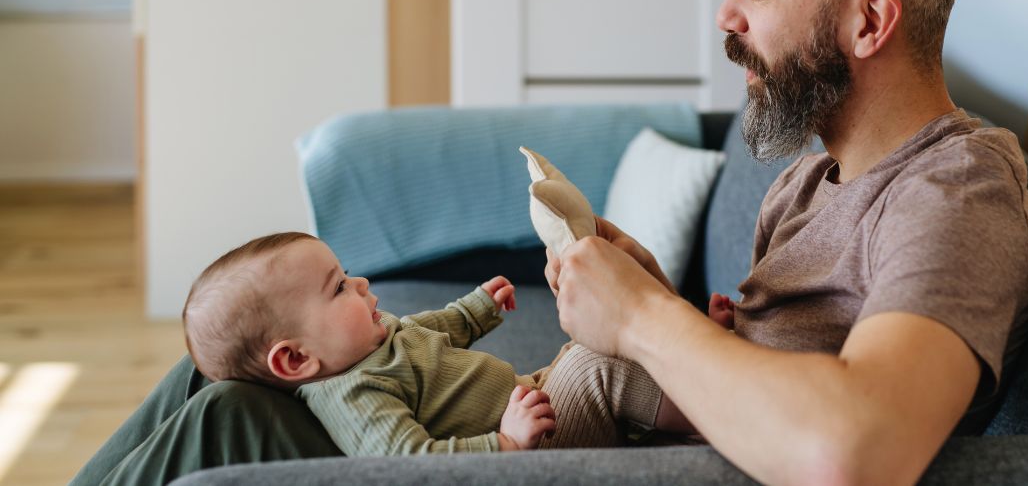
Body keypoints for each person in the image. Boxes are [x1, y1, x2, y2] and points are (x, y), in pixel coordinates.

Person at [545, 0, 1028, 485]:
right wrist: (650, 295)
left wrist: (642, 318)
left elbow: (860, 449)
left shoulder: (957, 194)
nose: (726, 15)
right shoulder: (804, 185)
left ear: (869, 21)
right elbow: (758, 381)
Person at [183, 231, 679, 455]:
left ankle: (681, 400)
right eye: (337, 288)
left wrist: (477, 308)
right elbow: (409, 461)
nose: (360, 283)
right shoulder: (354, 395)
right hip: (535, 445)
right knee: (594, 366)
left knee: (587, 346)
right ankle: (710, 403)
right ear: (296, 358)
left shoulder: (370, 342)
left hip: (534, 393)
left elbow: (431, 328)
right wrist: (505, 443)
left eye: (346, 274)